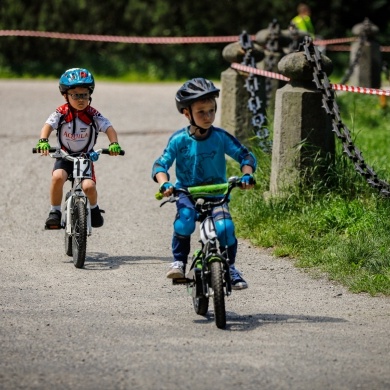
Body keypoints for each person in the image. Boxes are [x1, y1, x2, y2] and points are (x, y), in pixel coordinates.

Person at [151, 77, 257, 290]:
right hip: (187, 192)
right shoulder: (179, 140)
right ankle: (179, 262)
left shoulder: (220, 137)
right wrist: (165, 184)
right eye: (201, 112)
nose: (208, 116)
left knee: (226, 228)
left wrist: (246, 176)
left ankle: (231, 267)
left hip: (218, 193)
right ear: (187, 113)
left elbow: (246, 157)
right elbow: (160, 166)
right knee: (185, 221)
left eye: (211, 110)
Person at [35, 67, 122, 229]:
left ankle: (94, 209)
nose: (81, 99)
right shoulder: (61, 112)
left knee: (89, 186)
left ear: (90, 95)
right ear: (65, 95)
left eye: (84, 95)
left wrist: (114, 143)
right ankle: (54, 212)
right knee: (57, 177)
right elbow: (48, 125)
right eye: (75, 95)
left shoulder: (93, 114)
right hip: (64, 155)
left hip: (85, 157)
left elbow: (109, 128)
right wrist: (43, 141)